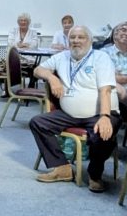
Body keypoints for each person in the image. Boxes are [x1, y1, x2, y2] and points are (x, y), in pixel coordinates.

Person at [29, 25, 120, 193]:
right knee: (38, 122)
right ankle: (62, 167)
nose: (76, 41)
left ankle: (95, 175)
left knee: (102, 133)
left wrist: (105, 116)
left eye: (81, 37)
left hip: (99, 112)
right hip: (69, 114)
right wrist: (51, 77)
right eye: (73, 38)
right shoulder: (62, 57)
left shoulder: (101, 57)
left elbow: (105, 90)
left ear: (90, 41)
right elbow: (37, 70)